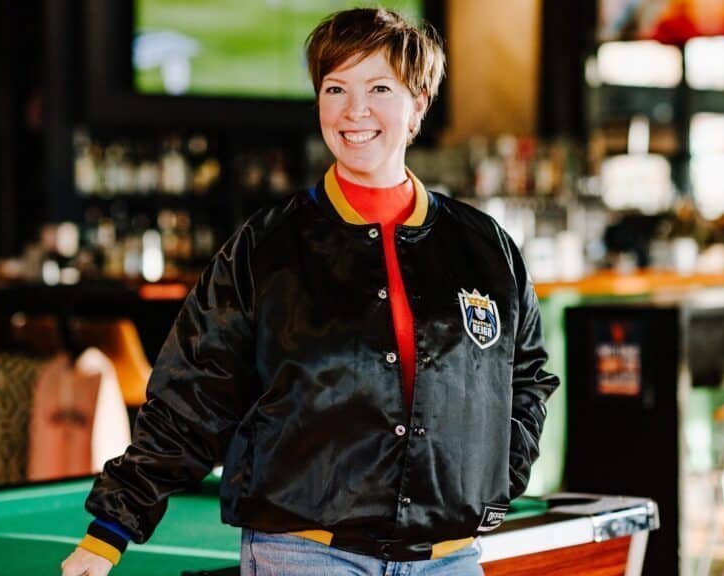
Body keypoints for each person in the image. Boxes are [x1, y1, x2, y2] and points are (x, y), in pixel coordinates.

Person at [61, 8, 558, 576]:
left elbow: (528, 379)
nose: (354, 111)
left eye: (378, 88)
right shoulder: (264, 248)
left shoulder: (485, 246)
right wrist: (110, 530)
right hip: (302, 555)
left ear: (418, 103)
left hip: (449, 560)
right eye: (335, 88)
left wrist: (492, 476)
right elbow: (193, 397)